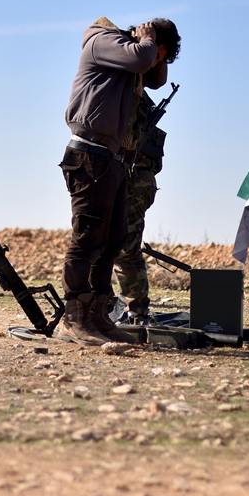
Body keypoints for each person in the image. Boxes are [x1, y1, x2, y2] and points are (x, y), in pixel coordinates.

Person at [58, 17, 180, 345]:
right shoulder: (101, 42)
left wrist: (155, 50)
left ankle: (97, 316)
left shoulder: (131, 60)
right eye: (156, 52)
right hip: (89, 153)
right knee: (87, 239)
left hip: (113, 160)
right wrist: (149, 40)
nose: (155, 61)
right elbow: (143, 59)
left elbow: (153, 78)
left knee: (112, 242)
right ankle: (74, 318)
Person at [114, 89, 168, 325]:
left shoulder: (134, 100)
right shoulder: (132, 98)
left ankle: (136, 311)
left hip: (135, 180)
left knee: (126, 246)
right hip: (132, 179)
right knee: (115, 245)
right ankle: (112, 306)